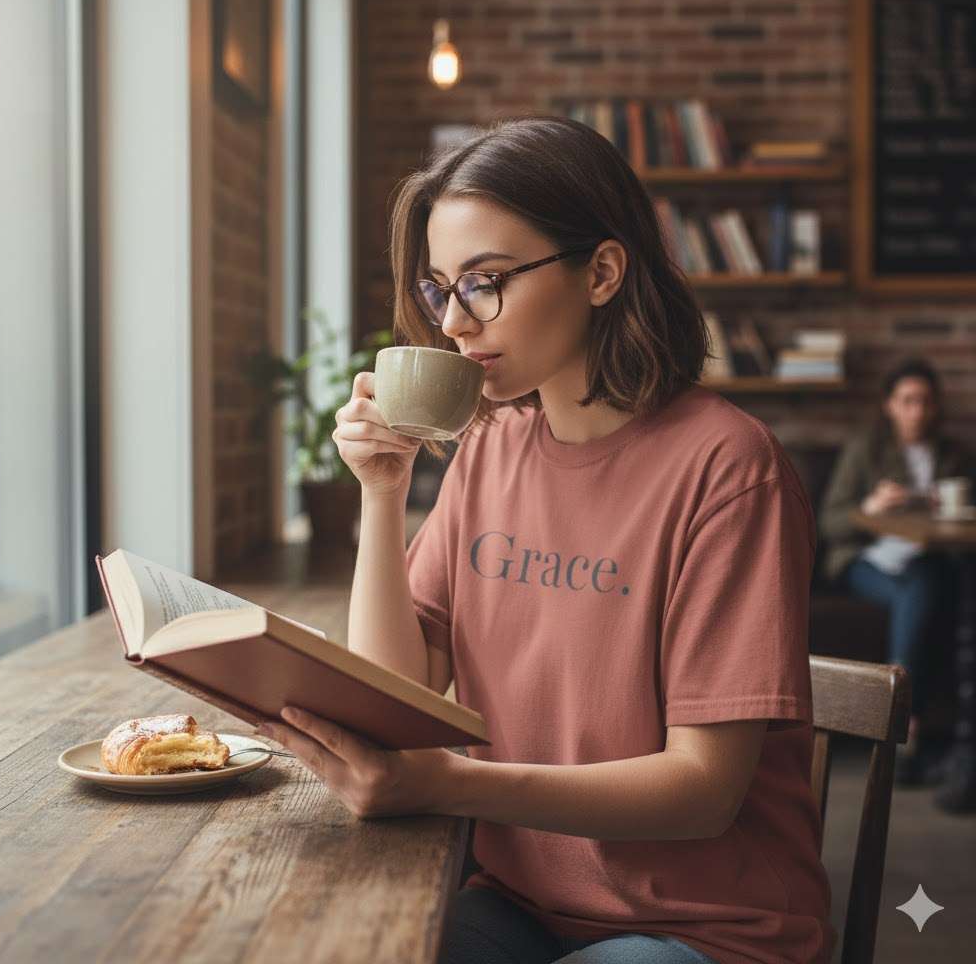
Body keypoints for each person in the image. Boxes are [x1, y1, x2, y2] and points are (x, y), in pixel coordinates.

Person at [257, 117, 834, 964]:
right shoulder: (489, 449)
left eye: (485, 282)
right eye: (439, 288)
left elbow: (703, 792)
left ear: (601, 272)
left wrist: (451, 783)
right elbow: (395, 692)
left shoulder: (729, 468)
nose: (454, 322)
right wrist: (382, 495)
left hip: (702, 929)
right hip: (517, 903)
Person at [819, 359, 974, 791]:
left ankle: (903, 727)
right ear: (890, 405)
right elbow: (830, 522)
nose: (917, 410)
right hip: (865, 560)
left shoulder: (952, 455)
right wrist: (871, 508)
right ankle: (906, 721)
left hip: (925, 559)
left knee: (927, 581)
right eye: (908, 401)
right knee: (921, 588)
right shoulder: (866, 449)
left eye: (925, 401)